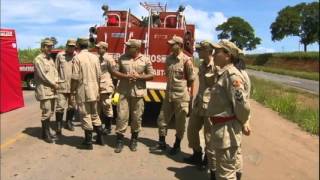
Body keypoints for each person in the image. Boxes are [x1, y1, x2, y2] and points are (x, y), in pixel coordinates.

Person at [206, 39, 251, 180]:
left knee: (226, 175)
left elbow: (242, 106)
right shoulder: (223, 73)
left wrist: (242, 122)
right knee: (223, 171)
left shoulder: (232, 76)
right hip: (221, 128)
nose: (213, 54)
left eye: (217, 51)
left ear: (228, 55)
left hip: (228, 131)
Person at [150, 35, 195, 155]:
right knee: (161, 119)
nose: (170, 46)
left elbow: (190, 79)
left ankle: (177, 145)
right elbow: (167, 74)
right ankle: (161, 143)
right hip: (168, 94)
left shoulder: (186, 60)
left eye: (172, 44)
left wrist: (182, 88)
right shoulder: (169, 59)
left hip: (181, 96)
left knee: (180, 123)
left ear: (179, 45)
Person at [111, 39, 154, 153]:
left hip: (138, 93)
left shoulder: (145, 60)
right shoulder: (122, 58)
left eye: (129, 46)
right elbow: (115, 72)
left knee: (136, 118)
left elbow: (151, 75)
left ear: (136, 48)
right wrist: (125, 76)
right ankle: (119, 140)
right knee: (121, 116)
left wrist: (139, 77)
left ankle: (134, 140)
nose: (127, 48)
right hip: (123, 92)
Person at [184, 40, 216, 170]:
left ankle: (207, 160)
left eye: (200, 50)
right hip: (199, 104)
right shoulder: (202, 65)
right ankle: (197, 154)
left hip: (211, 107)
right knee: (191, 130)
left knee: (209, 135)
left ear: (208, 51)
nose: (197, 52)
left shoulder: (216, 66)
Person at [71, 37, 103, 150]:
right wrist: (98, 89)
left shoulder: (77, 58)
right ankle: (100, 138)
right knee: (95, 114)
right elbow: (99, 75)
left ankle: (88, 142)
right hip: (95, 90)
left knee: (85, 115)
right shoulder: (95, 57)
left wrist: (72, 91)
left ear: (78, 46)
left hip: (83, 91)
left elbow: (75, 77)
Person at [34, 38, 58, 143]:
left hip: (52, 90)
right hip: (44, 90)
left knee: (51, 112)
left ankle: (47, 131)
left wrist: (56, 81)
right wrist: (53, 84)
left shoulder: (50, 59)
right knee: (46, 112)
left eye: (51, 46)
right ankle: (45, 134)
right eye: (48, 46)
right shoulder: (38, 59)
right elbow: (42, 76)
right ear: (43, 47)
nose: (50, 48)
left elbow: (55, 72)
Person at [55, 39, 77, 135]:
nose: (71, 48)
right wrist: (55, 82)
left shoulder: (77, 56)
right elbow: (55, 70)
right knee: (60, 106)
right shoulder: (60, 55)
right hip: (62, 86)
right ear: (66, 46)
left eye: (73, 46)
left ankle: (69, 122)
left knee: (72, 106)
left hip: (73, 87)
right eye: (70, 46)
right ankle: (59, 125)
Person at [95, 41, 115, 135]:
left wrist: (113, 87)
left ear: (105, 49)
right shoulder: (97, 58)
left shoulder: (109, 59)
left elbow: (114, 73)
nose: (97, 49)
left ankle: (108, 127)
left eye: (99, 48)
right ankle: (98, 127)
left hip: (106, 86)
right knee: (97, 107)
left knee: (107, 106)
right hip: (97, 86)